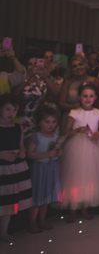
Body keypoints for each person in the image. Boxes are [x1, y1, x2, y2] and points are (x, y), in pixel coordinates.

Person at [60, 82, 99, 222]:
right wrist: (77, 130)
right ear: (79, 97)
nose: (88, 99)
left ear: (95, 97)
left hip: (93, 147)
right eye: (85, 96)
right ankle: (72, 209)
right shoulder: (74, 113)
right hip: (76, 147)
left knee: (89, 177)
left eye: (91, 96)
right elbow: (65, 132)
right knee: (75, 177)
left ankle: (84, 208)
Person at [0, 94, 32, 243]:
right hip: (2, 167)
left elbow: (21, 145)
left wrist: (22, 151)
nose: (11, 113)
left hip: (14, 168)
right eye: (7, 109)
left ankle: (3, 232)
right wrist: (2, 155)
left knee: (9, 200)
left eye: (14, 110)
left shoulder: (17, 127)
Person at [26, 107, 62, 233]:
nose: (51, 125)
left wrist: (58, 153)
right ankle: (32, 223)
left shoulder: (56, 137)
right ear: (39, 123)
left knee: (46, 196)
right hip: (40, 169)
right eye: (47, 122)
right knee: (37, 196)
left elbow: (56, 152)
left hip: (51, 168)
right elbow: (29, 154)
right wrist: (47, 154)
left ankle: (42, 221)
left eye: (53, 121)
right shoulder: (36, 137)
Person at [12, 54, 60, 141]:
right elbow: (13, 94)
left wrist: (45, 77)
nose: (33, 66)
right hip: (21, 118)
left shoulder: (41, 80)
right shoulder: (20, 79)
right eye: (30, 64)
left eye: (35, 63)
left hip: (38, 119)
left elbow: (55, 93)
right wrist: (28, 77)